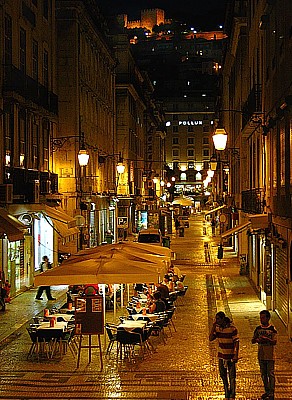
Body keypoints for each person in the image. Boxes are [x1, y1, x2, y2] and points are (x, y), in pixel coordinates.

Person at [209, 311, 239, 400]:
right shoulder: (218, 328)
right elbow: (210, 338)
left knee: (232, 376)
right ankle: (226, 392)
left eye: (218, 319)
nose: (216, 320)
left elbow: (236, 341)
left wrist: (236, 354)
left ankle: (232, 394)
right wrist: (213, 327)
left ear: (222, 319)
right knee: (223, 375)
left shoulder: (232, 328)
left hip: (230, 356)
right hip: (221, 356)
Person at [252, 310, 277, 400]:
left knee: (270, 374)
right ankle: (266, 391)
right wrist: (257, 340)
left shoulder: (272, 329)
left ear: (268, 318)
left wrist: (267, 339)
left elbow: (274, 342)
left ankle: (271, 392)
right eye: (260, 318)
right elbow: (253, 340)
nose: (261, 319)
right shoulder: (258, 329)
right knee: (263, 374)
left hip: (270, 356)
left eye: (263, 317)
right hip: (261, 355)